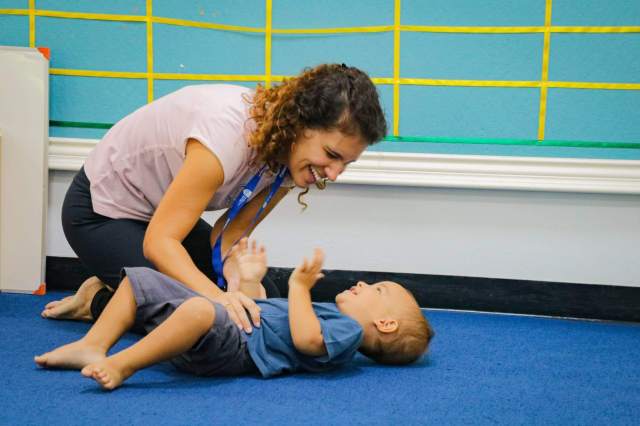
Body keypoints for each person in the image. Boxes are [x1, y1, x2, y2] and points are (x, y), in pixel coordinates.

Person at [41, 63, 387, 333]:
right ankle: (97, 299)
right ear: (300, 124)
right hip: (100, 212)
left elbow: (230, 235)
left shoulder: (290, 161)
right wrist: (218, 298)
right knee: (195, 312)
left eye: (346, 163)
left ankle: (123, 287)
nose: (334, 173)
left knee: (265, 294)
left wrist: (237, 280)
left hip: (156, 216)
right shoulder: (224, 135)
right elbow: (160, 243)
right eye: (332, 154)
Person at [35, 241, 434, 390]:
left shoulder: (346, 333)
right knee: (141, 279)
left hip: (235, 350)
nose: (364, 284)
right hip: (231, 328)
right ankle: (93, 344)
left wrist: (298, 288)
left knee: (196, 309)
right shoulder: (328, 312)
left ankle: (122, 364)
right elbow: (256, 311)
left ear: (384, 324)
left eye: (377, 290)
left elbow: (305, 342)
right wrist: (249, 282)